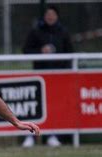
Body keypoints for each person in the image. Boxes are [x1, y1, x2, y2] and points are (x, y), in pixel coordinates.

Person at [21, 4, 74, 148]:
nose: (50, 17)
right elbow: (26, 50)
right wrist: (40, 51)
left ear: (57, 16)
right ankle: (30, 136)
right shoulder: (36, 31)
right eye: (48, 14)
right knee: (35, 106)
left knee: (55, 106)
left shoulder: (63, 32)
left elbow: (70, 53)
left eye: (53, 14)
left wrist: (63, 68)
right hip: (40, 76)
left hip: (58, 77)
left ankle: (53, 135)